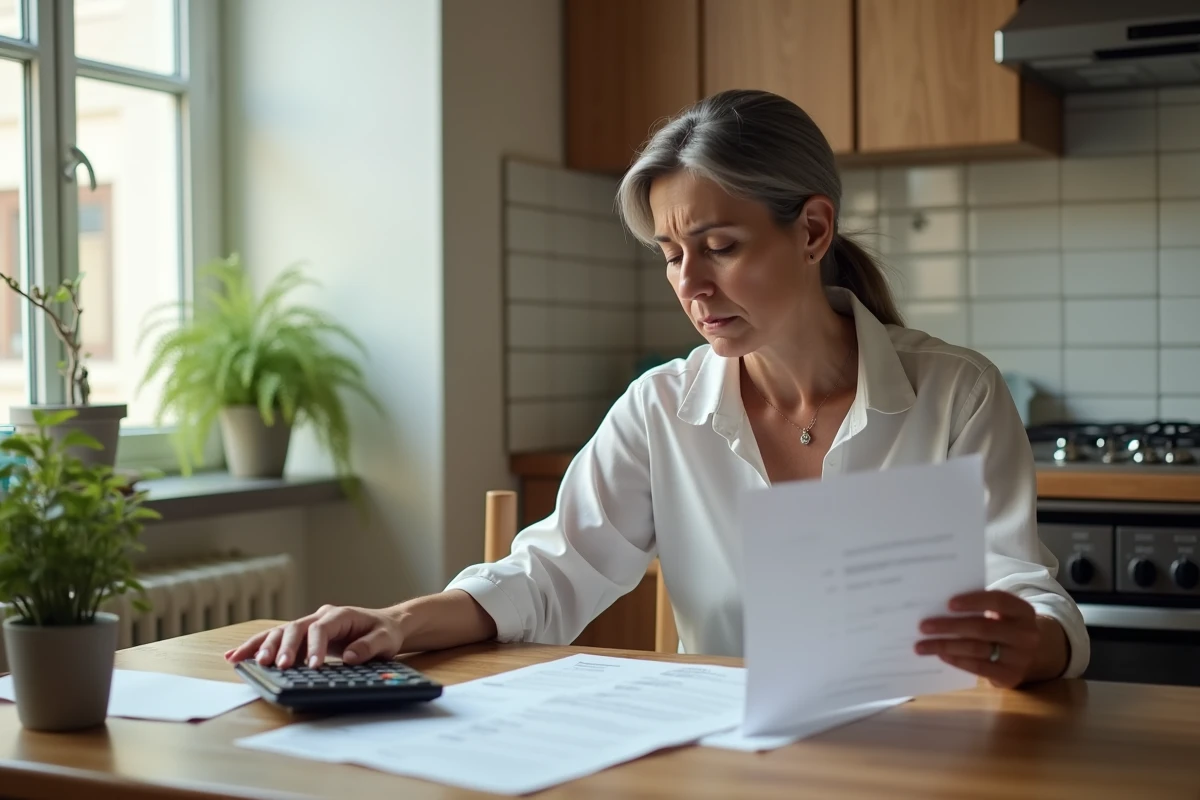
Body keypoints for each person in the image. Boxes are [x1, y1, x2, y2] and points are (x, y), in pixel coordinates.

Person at [227, 89, 1088, 689]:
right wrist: (396, 622)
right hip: (726, 759)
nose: (691, 284)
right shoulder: (661, 407)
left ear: (813, 229)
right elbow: (552, 571)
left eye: (719, 246)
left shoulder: (957, 395)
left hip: (920, 755)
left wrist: (1030, 644)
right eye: (673, 256)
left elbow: (1029, 594)